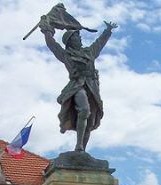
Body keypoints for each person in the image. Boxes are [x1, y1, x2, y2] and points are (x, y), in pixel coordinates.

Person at [39, 17, 117, 151]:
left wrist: (108, 31)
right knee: (85, 110)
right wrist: (46, 30)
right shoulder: (66, 55)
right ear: (70, 41)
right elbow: (52, 44)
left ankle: (81, 150)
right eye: (76, 37)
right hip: (77, 86)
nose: (79, 39)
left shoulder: (89, 52)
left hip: (92, 87)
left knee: (91, 121)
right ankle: (79, 145)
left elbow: (99, 43)